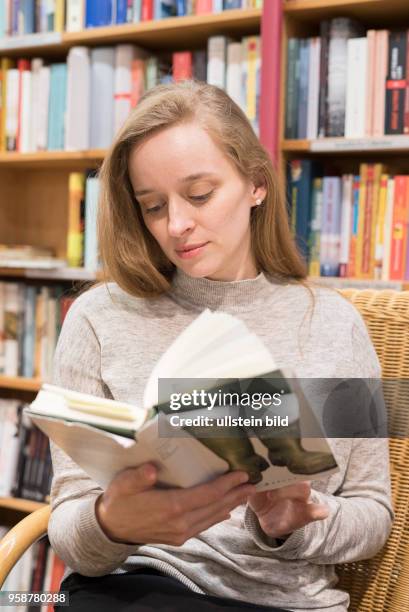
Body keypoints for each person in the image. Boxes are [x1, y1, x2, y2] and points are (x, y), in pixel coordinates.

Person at [50, 81, 393, 612]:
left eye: (200, 194)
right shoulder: (100, 318)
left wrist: (295, 525)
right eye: (153, 206)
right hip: (139, 588)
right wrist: (109, 523)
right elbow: (69, 530)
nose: (177, 225)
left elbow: (373, 512)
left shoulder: (331, 324)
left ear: (256, 184)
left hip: (281, 602)